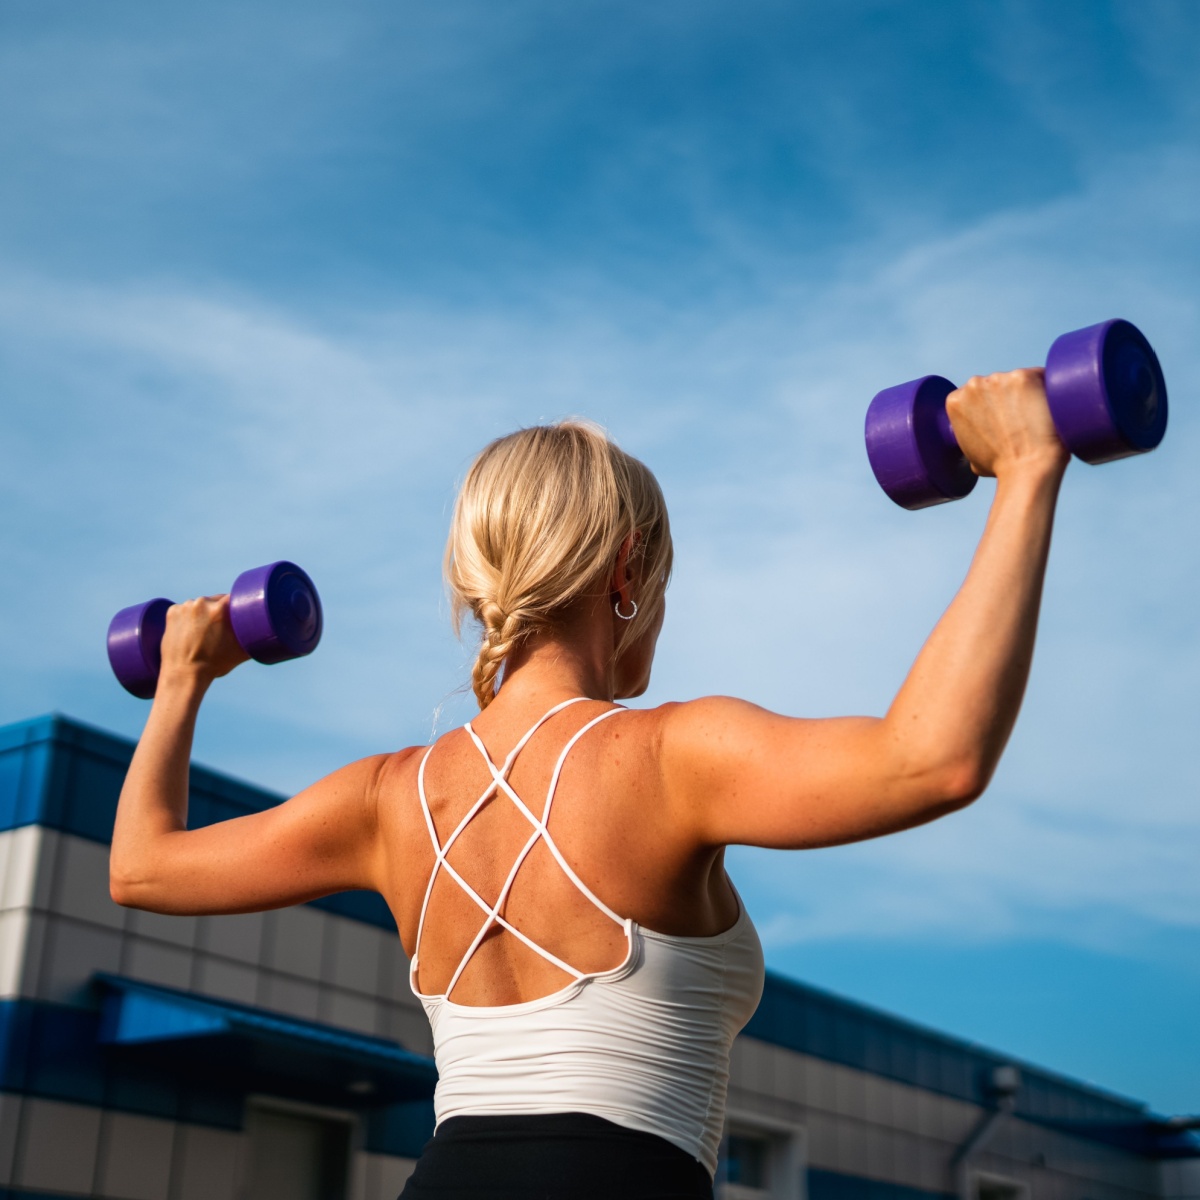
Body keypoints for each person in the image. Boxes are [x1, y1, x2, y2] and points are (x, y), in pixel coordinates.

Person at [110, 368, 1069, 1199]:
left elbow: (144, 869)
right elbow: (930, 759)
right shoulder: (673, 756)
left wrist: (183, 680)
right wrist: (1025, 467)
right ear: (626, 571)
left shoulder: (386, 800)